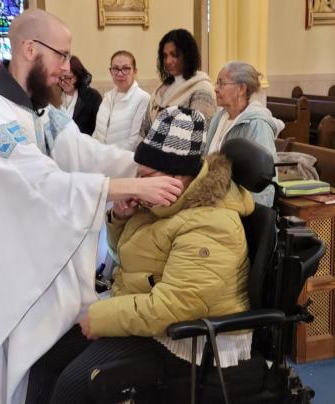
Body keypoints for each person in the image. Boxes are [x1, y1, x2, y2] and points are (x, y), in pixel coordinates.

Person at [0, 9, 182, 404]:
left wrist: (143, 167)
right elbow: (40, 185)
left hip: (15, 257)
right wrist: (126, 188)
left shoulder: (32, 107)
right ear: (29, 49)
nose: (66, 67)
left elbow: (81, 150)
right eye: (61, 55)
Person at [27, 106, 257, 404]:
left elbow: (174, 306)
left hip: (187, 339)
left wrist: (99, 318)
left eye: (147, 176)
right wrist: (121, 218)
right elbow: (124, 256)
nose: (140, 182)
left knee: (74, 385)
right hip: (148, 316)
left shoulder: (212, 224)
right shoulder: (165, 201)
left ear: (177, 175)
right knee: (46, 358)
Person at [205, 61, 283, 207]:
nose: (215, 89)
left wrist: (253, 218)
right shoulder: (219, 117)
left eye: (221, 84)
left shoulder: (257, 125)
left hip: (238, 208)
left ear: (241, 88)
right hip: (212, 199)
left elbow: (264, 184)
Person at [140, 28, 216, 138]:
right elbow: (145, 129)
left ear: (187, 55)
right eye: (165, 56)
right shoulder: (162, 89)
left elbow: (198, 133)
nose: (168, 61)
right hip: (151, 152)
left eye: (174, 55)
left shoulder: (202, 89)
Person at [92, 50, 150, 151]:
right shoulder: (107, 97)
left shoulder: (143, 98)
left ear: (135, 71)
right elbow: (97, 133)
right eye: (115, 69)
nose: (120, 73)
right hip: (101, 160)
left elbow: (135, 141)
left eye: (126, 68)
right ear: (110, 71)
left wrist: (106, 155)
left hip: (125, 162)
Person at [58, 55, 102, 135]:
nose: (63, 82)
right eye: (60, 78)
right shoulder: (54, 95)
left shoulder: (92, 97)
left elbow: (98, 130)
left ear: (77, 76)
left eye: (67, 78)